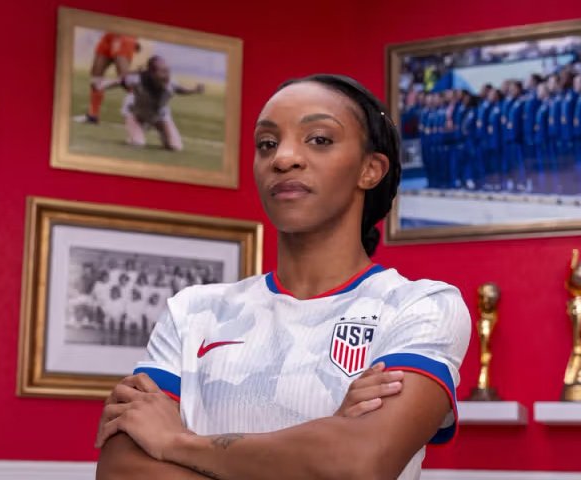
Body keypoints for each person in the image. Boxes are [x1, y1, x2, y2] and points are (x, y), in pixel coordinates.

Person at [94, 74, 471, 480]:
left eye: (319, 139)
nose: (283, 158)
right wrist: (323, 440)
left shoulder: (420, 306)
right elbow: (122, 471)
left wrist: (175, 442)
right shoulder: (191, 311)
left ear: (370, 169)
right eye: (267, 143)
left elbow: (359, 462)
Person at [120, 55, 205, 151]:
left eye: (167, 71)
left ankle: (164, 137)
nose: (167, 75)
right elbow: (121, 81)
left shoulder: (170, 83)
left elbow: (180, 89)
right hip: (136, 112)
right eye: (163, 71)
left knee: (175, 147)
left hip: (159, 114)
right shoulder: (138, 80)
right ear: (152, 73)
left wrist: (194, 90)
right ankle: (135, 136)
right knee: (138, 143)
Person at [74, 33, 141, 124]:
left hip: (123, 37)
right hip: (108, 36)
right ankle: (93, 116)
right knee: (96, 75)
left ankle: (147, 108)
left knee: (125, 79)